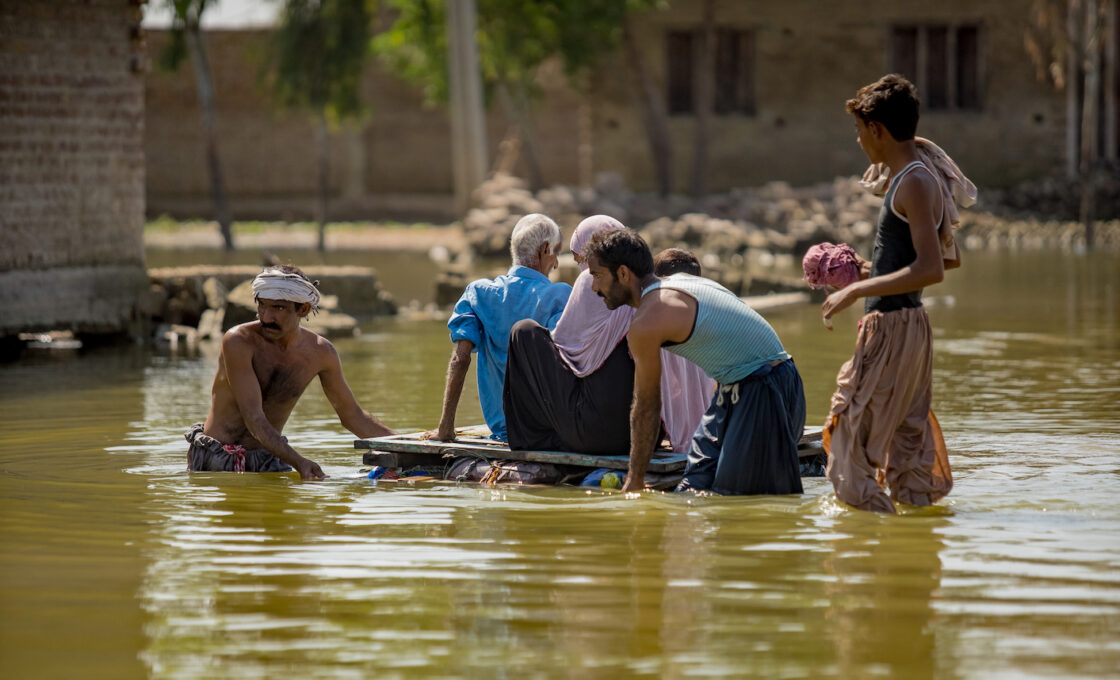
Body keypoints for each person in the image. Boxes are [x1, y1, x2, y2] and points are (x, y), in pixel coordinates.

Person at [820, 74, 954, 513]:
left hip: (893, 330)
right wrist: (871, 269)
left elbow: (931, 269)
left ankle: (863, 558)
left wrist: (858, 288)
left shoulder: (914, 181)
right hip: (911, 329)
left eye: (860, 131)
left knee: (848, 445)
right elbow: (942, 259)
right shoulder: (916, 176)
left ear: (877, 129)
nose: (859, 142)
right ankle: (910, 562)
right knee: (906, 454)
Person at [584, 229, 805, 495]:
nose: (594, 287)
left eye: (597, 276)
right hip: (740, 385)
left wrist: (635, 480)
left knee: (731, 501)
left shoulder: (646, 322)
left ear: (622, 274)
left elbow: (646, 408)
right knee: (695, 484)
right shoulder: (678, 283)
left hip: (766, 388)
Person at [504, 219, 717, 455]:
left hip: (596, 434)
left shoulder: (593, 283)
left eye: (584, 263)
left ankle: (532, 438)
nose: (588, 277)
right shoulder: (655, 293)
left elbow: (566, 351)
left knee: (524, 332)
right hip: (648, 435)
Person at [186, 265, 395, 480]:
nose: (266, 317)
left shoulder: (321, 352)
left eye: (278, 308)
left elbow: (352, 416)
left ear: (302, 310)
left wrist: (406, 445)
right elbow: (253, 417)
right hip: (217, 459)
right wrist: (299, 462)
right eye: (262, 306)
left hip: (269, 457)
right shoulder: (238, 341)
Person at [424, 213, 571, 442]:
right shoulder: (559, 296)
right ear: (544, 249)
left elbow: (460, 360)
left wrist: (445, 428)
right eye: (556, 252)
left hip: (503, 430)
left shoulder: (479, 294)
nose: (557, 263)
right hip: (548, 429)